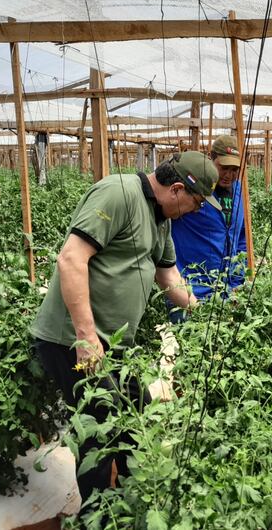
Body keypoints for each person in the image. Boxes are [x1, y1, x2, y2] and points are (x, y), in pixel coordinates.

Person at [30, 151, 220, 506]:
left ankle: (136, 501)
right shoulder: (118, 194)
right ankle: (98, 516)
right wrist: (86, 337)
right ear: (177, 189)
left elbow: (168, 277)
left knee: (137, 416)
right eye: (196, 204)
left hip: (114, 343)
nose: (195, 211)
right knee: (98, 431)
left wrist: (207, 312)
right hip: (73, 340)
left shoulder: (162, 218)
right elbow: (71, 258)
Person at [167, 135, 247, 319]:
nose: (229, 175)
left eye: (234, 169)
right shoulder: (192, 188)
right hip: (190, 289)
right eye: (224, 168)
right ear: (210, 159)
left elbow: (242, 238)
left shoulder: (240, 191)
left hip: (227, 292)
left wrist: (238, 281)